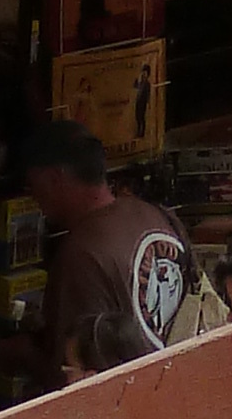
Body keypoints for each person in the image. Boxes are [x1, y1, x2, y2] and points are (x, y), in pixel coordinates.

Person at [26, 118, 191, 377]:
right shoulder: (157, 215)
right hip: (176, 376)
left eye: (34, 186)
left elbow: (74, 368)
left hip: (130, 397)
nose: (35, 199)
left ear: (54, 178)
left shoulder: (80, 256)